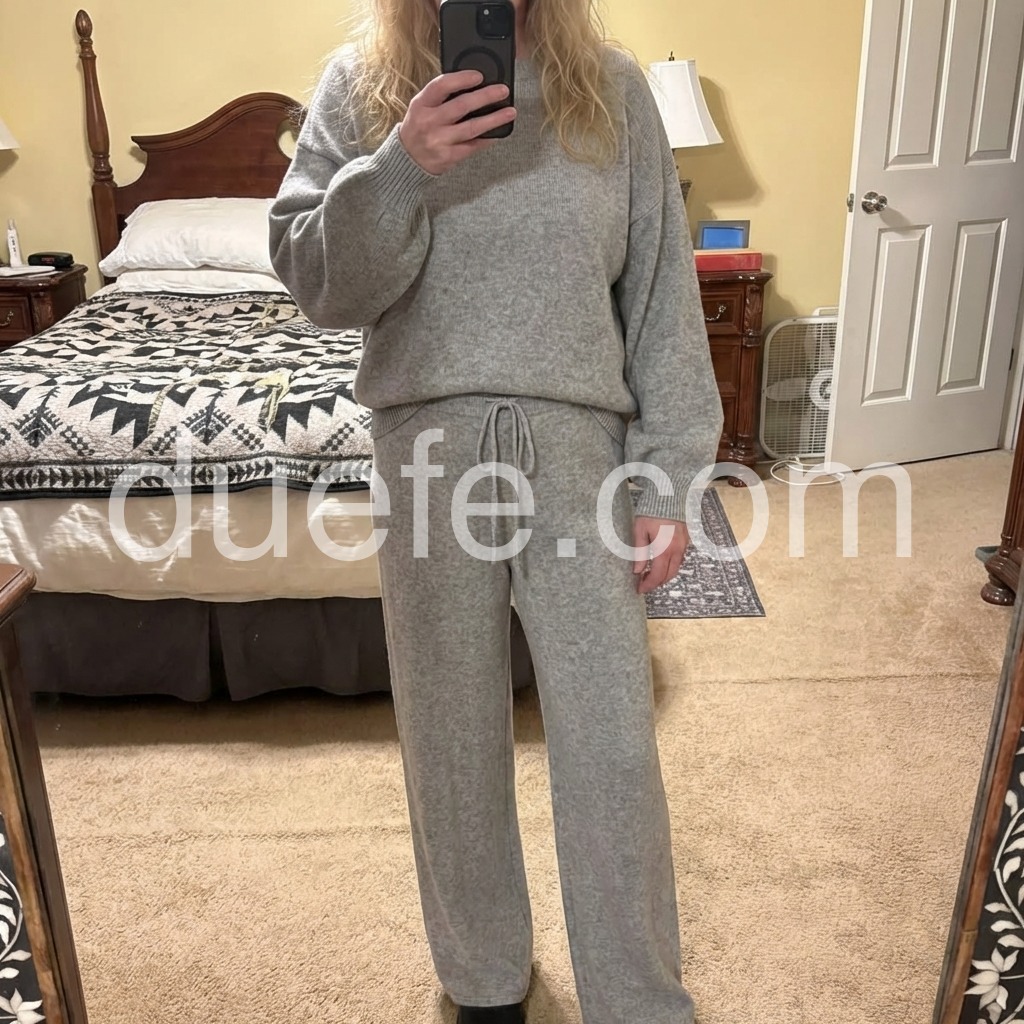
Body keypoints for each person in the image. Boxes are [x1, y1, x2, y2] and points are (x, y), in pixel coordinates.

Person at [269, 0, 723, 1020]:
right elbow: (318, 286)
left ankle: (637, 997)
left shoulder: (611, 89)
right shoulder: (358, 89)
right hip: (425, 453)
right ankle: (482, 982)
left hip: (579, 453)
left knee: (612, 743)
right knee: (451, 737)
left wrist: (667, 475)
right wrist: (401, 165)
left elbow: (661, 295)